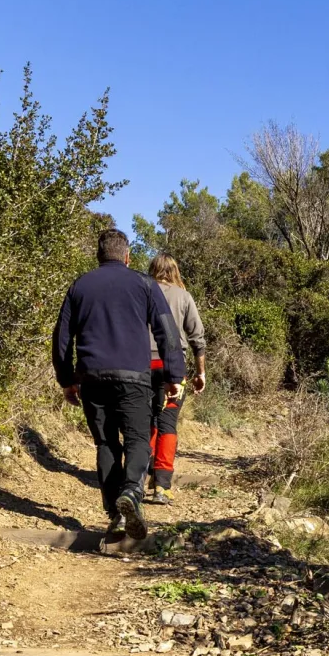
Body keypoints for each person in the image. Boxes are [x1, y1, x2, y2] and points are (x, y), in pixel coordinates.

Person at [52, 229, 185, 540]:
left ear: (99, 256)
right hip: (135, 377)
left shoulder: (80, 285)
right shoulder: (144, 284)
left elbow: (61, 338)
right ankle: (131, 494)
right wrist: (173, 376)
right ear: (127, 256)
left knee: (106, 444)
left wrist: (67, 379)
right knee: (138, 439)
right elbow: (167, 332)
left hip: (92, 377)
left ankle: (115, 514)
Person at [145, 254, 207, 504]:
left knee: (144, 420)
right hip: (173, 368)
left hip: (141, 366)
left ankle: (136, 480)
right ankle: (162, 486)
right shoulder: (184, 296)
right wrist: (200, 372)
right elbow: (197, 337)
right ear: (175, 271)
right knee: (167, 422)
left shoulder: (142, 292)